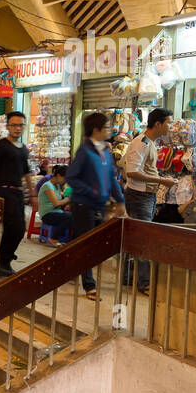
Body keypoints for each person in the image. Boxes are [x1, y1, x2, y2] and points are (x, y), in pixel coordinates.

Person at [66, 111, 125, 302]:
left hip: (100, 205)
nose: (110, 130)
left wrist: (120, 199)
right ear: (96, 129)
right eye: (107, 127)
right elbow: (71, 177)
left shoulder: (106, 152)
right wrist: (92, 192)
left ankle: (68, 269)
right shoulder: (85, 151)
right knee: (87, 245)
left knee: (85, 244)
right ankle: (89, 285)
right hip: (83, 205)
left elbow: (112, 178)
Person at [122, 108, 176, 294]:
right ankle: (144, 283)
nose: (170, 126)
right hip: (139, 196)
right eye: (168, 122)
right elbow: (131, 171)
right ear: (158, 124)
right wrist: (162, 181)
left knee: (135, 238)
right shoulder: (142, 143)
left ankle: (128, 277)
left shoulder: (150, 142)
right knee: (144, 239)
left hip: (145, 195)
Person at [0, 112, 37, 277]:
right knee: (15, 228)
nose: (18, 128)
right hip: (3, 192)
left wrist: (33, 195)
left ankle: (3, 260)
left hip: (17, 194)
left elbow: (27, 173)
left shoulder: (22, 149)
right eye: (14, 125)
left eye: (21, 125)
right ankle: (2, 261)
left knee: (18, 229)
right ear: (7, 126)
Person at [36, 165, 71, 245]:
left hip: (56, 212)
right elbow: (56, 203)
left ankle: (69, 240)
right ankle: (53, 238)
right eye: (64, 178)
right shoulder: (48, 185)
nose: (65, 181)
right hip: (47, 215)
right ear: (58, 175)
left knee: (75, 216)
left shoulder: (58, 186)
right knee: (69, 217)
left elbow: (62, 197)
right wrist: (68, 199)